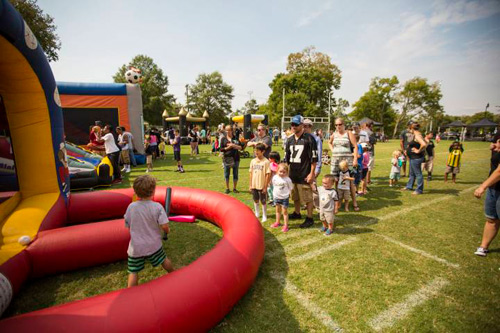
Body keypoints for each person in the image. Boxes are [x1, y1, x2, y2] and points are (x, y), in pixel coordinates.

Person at [125, 175, 174, 287]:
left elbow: (128, 224)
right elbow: (164, 226)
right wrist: (168, 230)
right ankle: (173, 274)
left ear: (136, 192)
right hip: (153, 244)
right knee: (163, 260)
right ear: (153, 191)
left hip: (136, 246)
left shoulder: (131, 207)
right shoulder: (157, 207)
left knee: (133, 271)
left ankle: (130, 293)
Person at [285, 115, 318, 228]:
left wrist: (311, 173)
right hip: (293, 173)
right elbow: (287, 159)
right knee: (295, 196)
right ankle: (297, 212)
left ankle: (309, 218)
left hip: (304, 173)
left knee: (307, 197)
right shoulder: (289, 140)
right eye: (292, 124)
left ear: (302, 125)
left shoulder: (309, 138)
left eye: (296, 124)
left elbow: (314, 159)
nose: (293, 126)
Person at [474, 135, 500, 256]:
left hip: (494, 187)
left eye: (498, 142)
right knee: (491, 218)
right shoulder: (497, 150)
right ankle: (483, 247)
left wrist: (483, 186)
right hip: (494, 188)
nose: (495, 144)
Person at [329, 117, 359, 211]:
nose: (338, 126)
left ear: (343, 124)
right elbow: (329, 143)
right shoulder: (334, 134)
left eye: (340, 124)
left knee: (350, 182)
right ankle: (338, 203)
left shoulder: (348, 133)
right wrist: (333, 150)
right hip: (336, 161)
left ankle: (354, 202)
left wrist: (355, 159)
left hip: (347, 161)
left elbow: (355, 146)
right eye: (336, 125)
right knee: (337, 181)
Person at [403, 121, 427, 194]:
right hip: (413, 157)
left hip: (416, 158)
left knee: (418, 174)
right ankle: (409, 186)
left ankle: (419, 190)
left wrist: (418, 151)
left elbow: (424, 144)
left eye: (408, 128)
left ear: (411, 128)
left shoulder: (417, 136)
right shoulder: (416, 135)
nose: (408, 130)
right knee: (412, 173)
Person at [249, 143, 271, 222]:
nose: (256, 152)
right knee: (255, 199)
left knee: (263, 201)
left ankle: (264, 215)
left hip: (262, 185)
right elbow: (251, 173)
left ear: (263, 151)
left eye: (258, 150)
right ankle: (257, 213)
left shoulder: (266, 162)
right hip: (254, 184)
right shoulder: (253, 161)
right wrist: (250, 185)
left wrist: (265, 187)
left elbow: (267, 175)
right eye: (255, 150)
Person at [271, 163, 293, 232]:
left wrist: (289, 194)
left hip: (284, 198)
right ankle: (277, 222)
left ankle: (286, 225)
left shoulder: (288, 180)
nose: (282, 173)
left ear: (287, 172)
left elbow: (291, 187)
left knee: (285, 212)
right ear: (277, 171)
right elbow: (274, 185)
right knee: (277, 210)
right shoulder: (275, 178)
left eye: (284, 172)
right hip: (276, 197)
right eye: (280, 171)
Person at [220, 125, 242, 194]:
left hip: (236, 158)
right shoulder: (223, 139)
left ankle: (234, 188)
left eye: (229, 130)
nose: (228, 131)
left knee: (235, 173)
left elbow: (241, 147)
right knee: (227, 174)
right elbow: (221, 149)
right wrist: (227, 148)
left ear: (232, 131)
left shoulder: (236, 138)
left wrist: (233, 145)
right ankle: (227, 188)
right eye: (226, 130)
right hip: (227, 158)